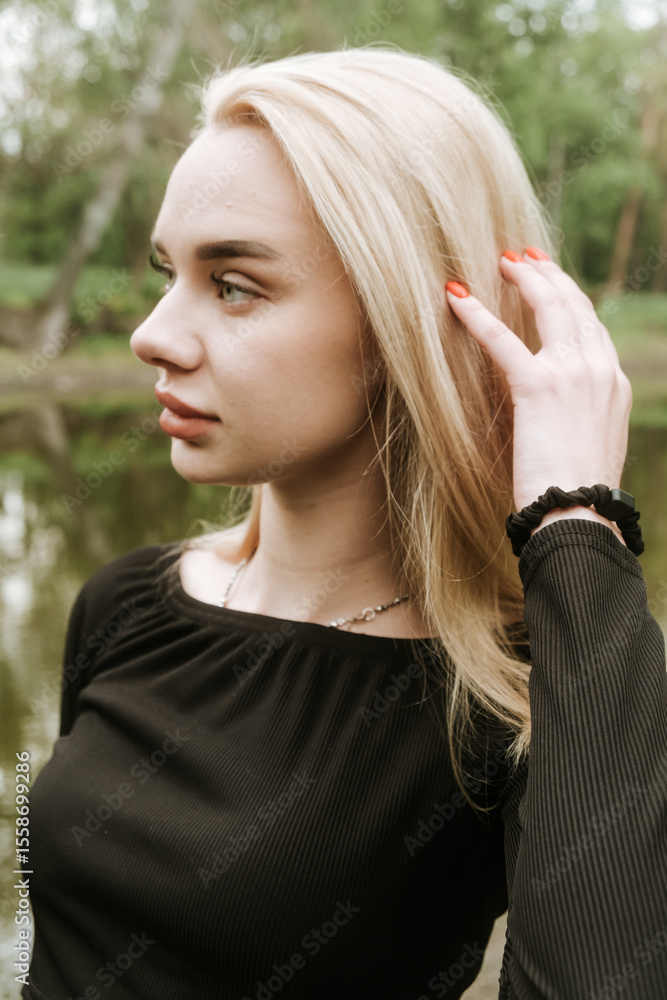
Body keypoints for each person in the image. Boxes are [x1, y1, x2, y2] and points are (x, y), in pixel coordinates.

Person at [23, 46, 666, 1000]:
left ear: (410, 318)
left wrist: (575, 518)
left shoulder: (521, 690)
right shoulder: (126, 602)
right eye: (167, 272)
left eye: (232, 284)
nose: (151, 334)